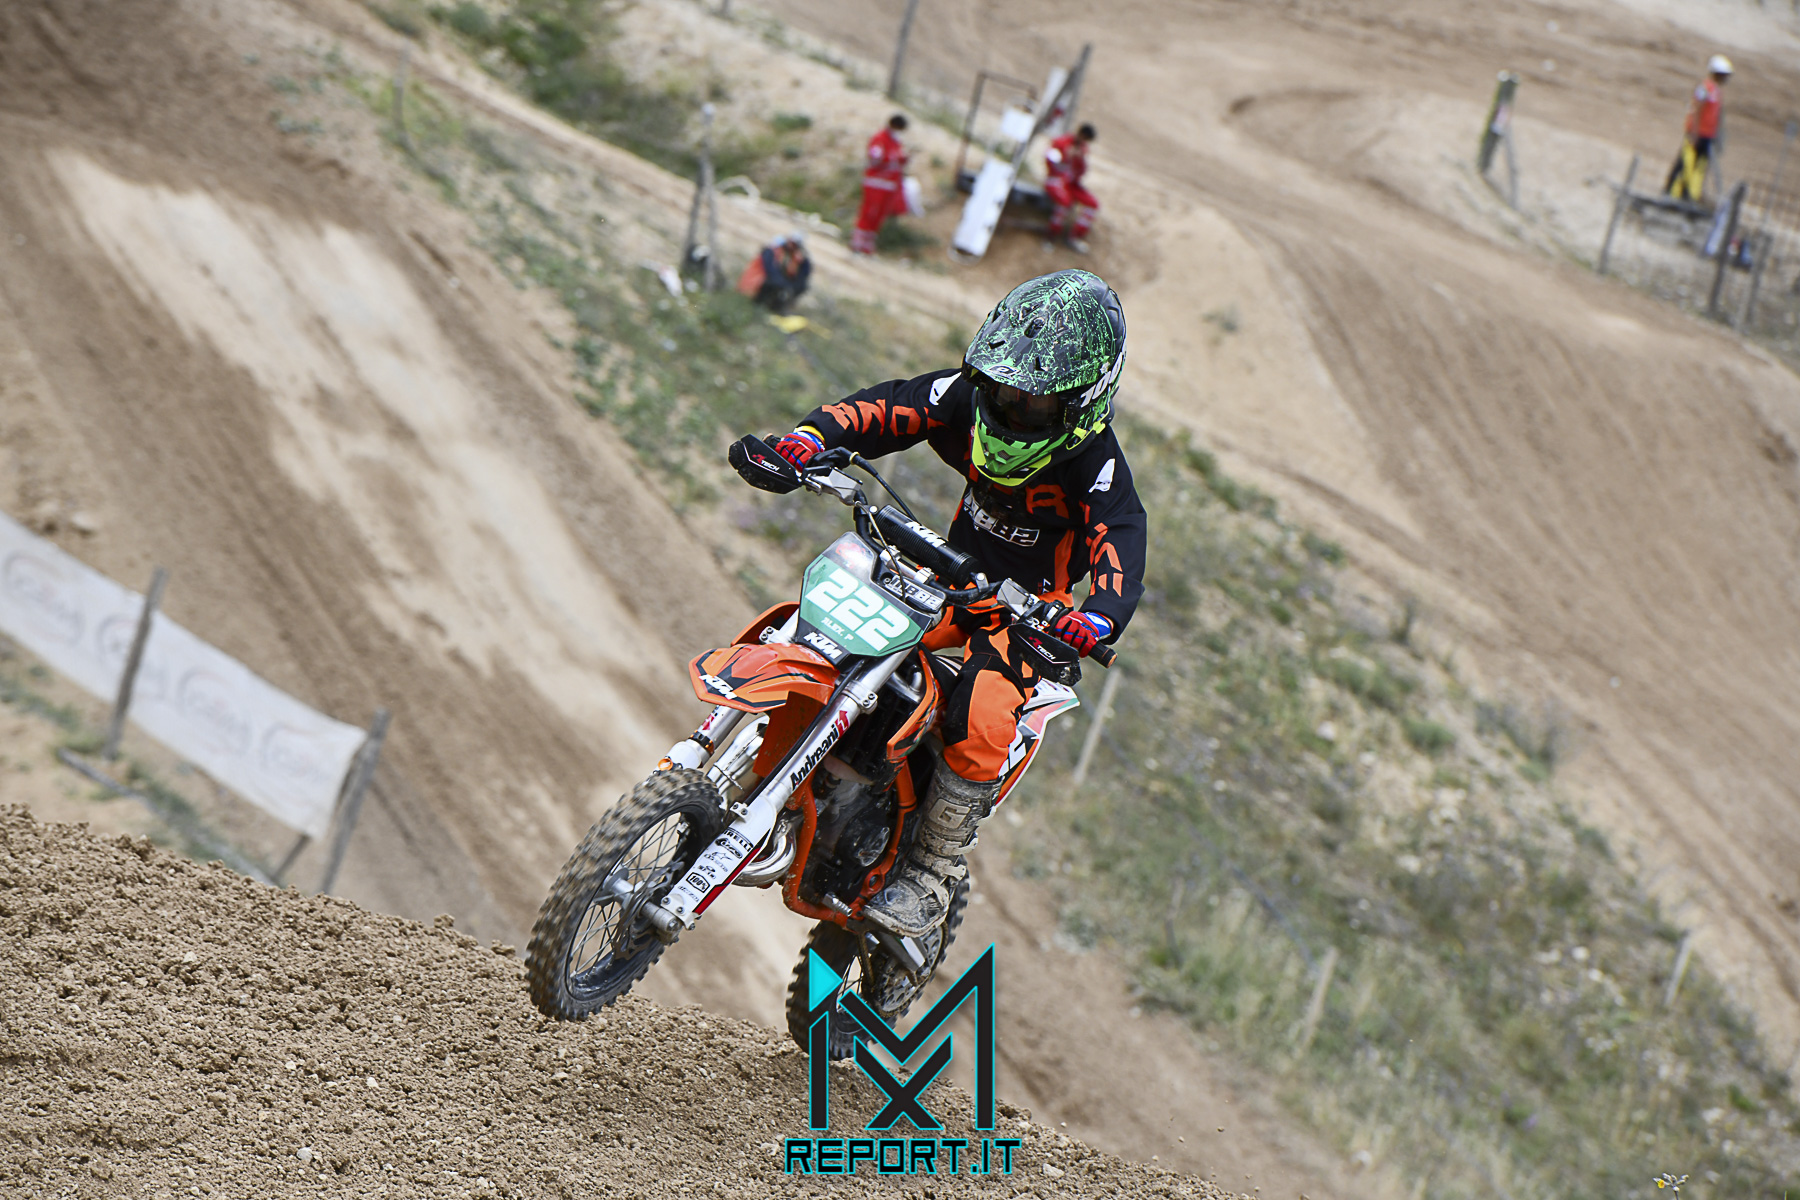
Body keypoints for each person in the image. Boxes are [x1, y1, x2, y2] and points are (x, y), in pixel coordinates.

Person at [760, 269, 1146, 938]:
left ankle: (930, 872)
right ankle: (766, 757)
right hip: (947, 580)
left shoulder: (1097, 467)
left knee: (983, 709)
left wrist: (1095, 619)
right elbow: (887, 409)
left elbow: (1121, 546)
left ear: (1082, 404)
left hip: (1030, 619)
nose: (1010, 408)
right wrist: (810, 441)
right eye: (1003, 389)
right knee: (841, 622)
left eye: (1033, 403)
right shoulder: (966, 398)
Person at [1666, 55, 1732, 202]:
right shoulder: (1704, 88)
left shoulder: (1717, 91)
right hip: (1697, 134)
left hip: (1707, 136)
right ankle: (1672, 193)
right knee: (1686, 164)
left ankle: (1690, 195)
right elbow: (1696, 109)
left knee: (1699, 167)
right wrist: (1694, 132)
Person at [852, 114, 910, 255]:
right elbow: (875, 158)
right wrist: (893, 159)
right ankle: (858, 240)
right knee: (869, 211)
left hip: (889, 184)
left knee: (880, 214)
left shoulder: (896, 142)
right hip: (875, 182)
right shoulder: (880, 139)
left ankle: (868, 242)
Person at [1045, 123, 1100, 253]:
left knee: (1092, 204)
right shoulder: (1061, 142)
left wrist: (1080, 160)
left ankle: (1074, 237)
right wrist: (1066, 156)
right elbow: (1050, 162)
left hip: (1071, 183)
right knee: (1064, 203)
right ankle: (1050, 236)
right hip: (1056, 180)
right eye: (1084, 138)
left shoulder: (1083, 149)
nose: (1084, 142)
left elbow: (1081, 172)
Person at [737, 231, 812, 314]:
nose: (791, 245)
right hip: (755, 283)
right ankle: (759, 305)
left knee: (794, 286)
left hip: (771, 282)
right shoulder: (772, 251)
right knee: (775, 284)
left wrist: (791, 286)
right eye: (791, 242)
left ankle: (775, 308)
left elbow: (803, 273)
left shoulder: (792, 256)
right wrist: (786, 285)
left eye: (795, 244)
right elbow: (771, 271)